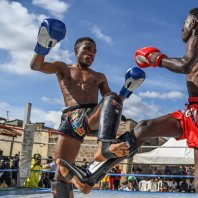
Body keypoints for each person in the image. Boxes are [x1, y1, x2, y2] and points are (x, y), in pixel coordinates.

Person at [57, 6, 198, 198]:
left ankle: (97, 164)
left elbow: (185, 65)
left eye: (184, 23)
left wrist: (156, 58)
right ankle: (91, 176)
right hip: (193, 111)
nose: (182, 28)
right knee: (144, 128)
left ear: (193, 23)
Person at [30, 18, 146, 197]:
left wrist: (126, 91)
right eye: (87, 49)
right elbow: (36, 66)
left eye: (94, 52)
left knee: (113, 98)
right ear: (76, 50)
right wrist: (44, 44)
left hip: (92, 116)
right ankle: (86, 180)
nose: (91, 54)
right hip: (70, 120)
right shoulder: (63, 68)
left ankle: (106, 146)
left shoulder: (99, 76)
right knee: (60, 170)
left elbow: (111, 100)